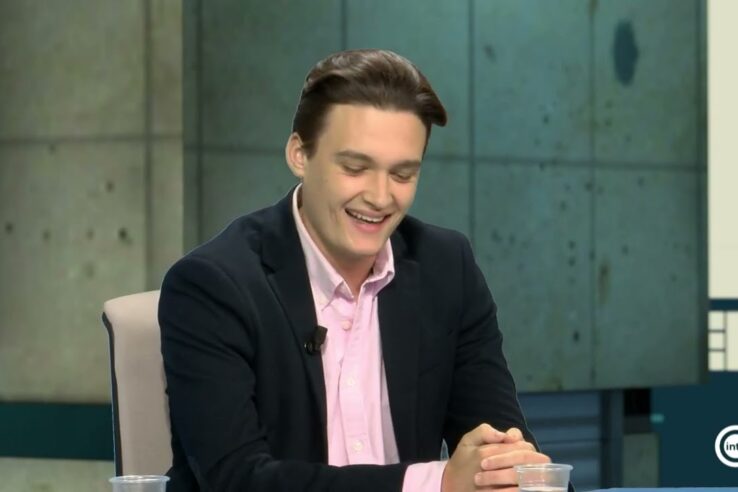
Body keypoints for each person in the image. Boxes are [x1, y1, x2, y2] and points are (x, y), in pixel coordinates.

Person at [159, 49, 551, 492]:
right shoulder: (213, 286)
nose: (380, 197)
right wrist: (436, 483)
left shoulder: (446, 269)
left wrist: (511, 471)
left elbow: (499, 446)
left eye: (402, 175)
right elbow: (237, 480)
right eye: (355, 168)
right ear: (299, 154)